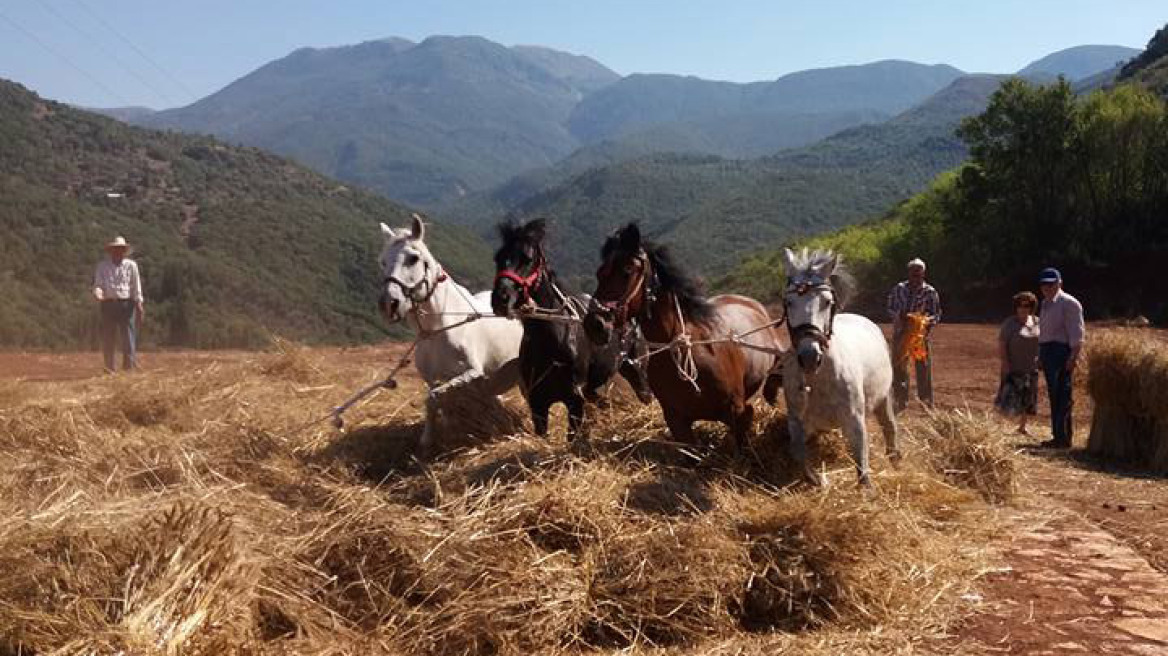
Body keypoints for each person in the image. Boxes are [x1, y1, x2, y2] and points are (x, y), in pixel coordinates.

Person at [1036, 268, 1084, 448]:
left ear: (1059, 283)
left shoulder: (1070, 304)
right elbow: (1043, 333)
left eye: (1051, 283)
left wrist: (1073, 357)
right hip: (1048, 351)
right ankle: (1057, 435)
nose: (1047, 287)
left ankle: (1064, 437)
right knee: (1053, 395)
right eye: (1044, 284)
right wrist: (1040, 355)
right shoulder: (1045, 304)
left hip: (1062, 351)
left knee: (1063, 395)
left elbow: (1077, 334)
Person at [887, 258, 941, 411]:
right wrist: (900, 315)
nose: (916, 276)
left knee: (923, 370)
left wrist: (922, 321)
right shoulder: (898, 289)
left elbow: (936, 314)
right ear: (908, 273)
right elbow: (890, 307)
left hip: (920, 337)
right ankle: (900, 401)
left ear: (924, 273)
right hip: (901, 334)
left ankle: (926, 403)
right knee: (899, 368)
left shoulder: (930, 292)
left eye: (919, 273)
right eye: (913, 273)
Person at [92, 236, 143, 372]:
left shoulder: (131, 266)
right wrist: (98, 293)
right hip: (108, 303)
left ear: (124, 251)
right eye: (115, 249)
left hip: (127, 304)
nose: (117, 251)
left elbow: (135, 286)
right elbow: (98, 284)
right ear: (111, 251)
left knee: (128, 337)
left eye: (120, 249)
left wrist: (139, 304)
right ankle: (109, 368)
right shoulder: (102, 266)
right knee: (109, 337)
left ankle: (129, 367)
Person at [995, 291, 1040, 434]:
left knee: (1027, 398)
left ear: (1032, 307)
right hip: (1013, 366)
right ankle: (999, 427)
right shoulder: (1009, 324)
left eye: (1027, 306)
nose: (1023, 308)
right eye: (1020, 305)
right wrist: (1005, 363)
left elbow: (1042, 342)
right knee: (1007, 397)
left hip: (1030, 366)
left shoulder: (1037, 322)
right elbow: (1002, 344)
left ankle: (1022, 427)